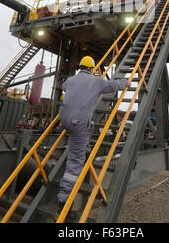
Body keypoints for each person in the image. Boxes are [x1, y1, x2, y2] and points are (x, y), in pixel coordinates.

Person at [56, 55, 129, 219]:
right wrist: (125, 82)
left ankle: (86, 149)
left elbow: (64, 86)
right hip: (79, 124)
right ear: (91, 69)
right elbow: (112, 85)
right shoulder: (96, 81)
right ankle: (64, 204)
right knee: (74, 163)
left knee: (86, 131)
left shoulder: (70, 80)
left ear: (80, 67)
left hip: (65, 120)